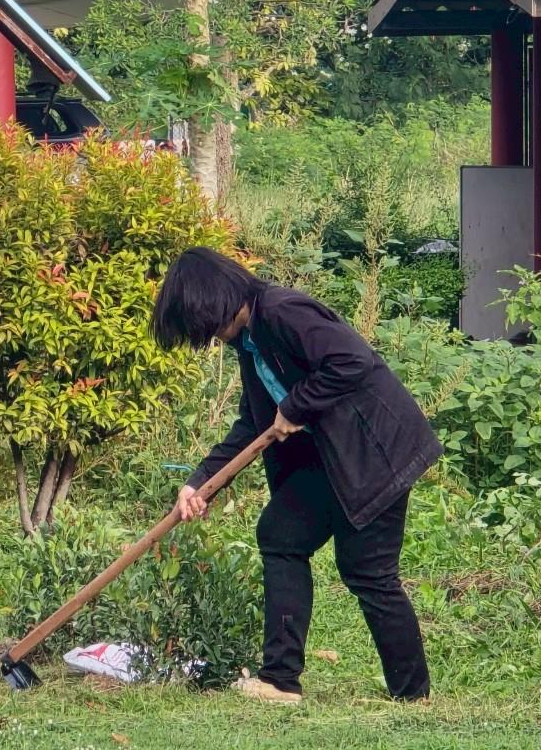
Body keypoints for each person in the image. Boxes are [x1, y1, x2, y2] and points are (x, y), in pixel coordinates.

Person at [151, 247, 441, 704]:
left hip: (375, 452)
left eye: (202, 327)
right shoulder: (249, 341)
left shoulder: (283, 311)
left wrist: (296, 405)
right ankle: (280, 681)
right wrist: (199, 481)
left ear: (214, 303)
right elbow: (254, 422)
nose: (208, 339)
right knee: (281, 534)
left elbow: (353, 360)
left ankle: (412, 695)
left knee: (367, 570)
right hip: (331, 459)